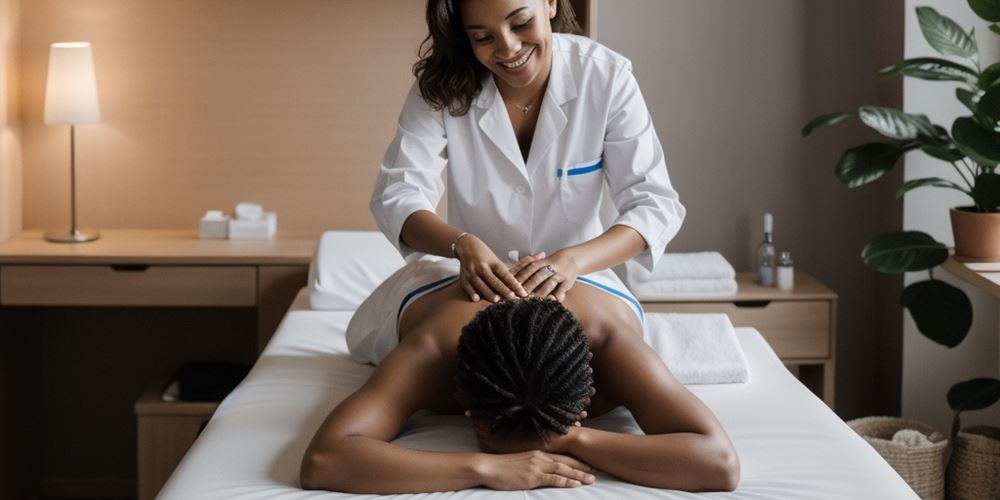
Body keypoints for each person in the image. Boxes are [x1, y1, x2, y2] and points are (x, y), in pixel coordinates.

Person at [301, 0, 738, 493]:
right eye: (481, 36)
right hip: (467, 271)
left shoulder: (604, 76)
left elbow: (654, 205)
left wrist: (574, 259)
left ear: (550, 3)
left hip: (577, 271)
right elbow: (399, 194)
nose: (506, 48)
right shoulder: (450, 344)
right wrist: (462, 244)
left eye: (521, 22)